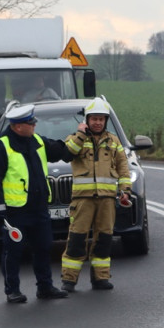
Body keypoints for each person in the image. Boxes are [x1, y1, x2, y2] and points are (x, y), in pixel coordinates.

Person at [0, 104, 73, 303]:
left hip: (39, 207)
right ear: (17, 127)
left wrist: (79, 137)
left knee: (43, 247)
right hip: (16, 211)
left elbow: (61, 152)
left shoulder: (38, 141)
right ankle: (12, 290)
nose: (34, 125)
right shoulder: (1, 146)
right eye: (30, 122)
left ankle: (45, 287)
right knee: (13, 251)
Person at [60, 97, 131, 292]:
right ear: (87, 120)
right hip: (83, 200)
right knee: (76, 239)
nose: (98, 122)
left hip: (107, 200)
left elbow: (123, 168)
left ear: (105, 121)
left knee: (104, 239)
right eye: (94, 119)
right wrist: (81, 134)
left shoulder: (114, 142)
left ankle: (100, 278)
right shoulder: (75, 138)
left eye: (101, 119)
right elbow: (69, 152)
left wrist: (125, 191)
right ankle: (69, 280)